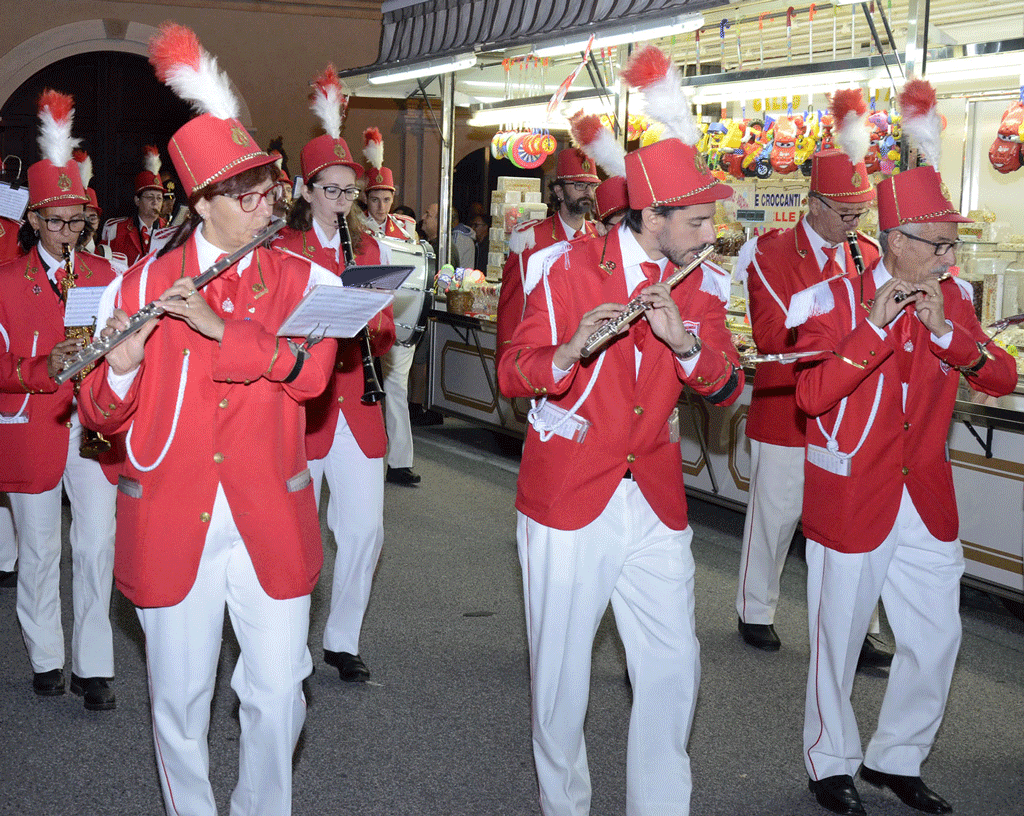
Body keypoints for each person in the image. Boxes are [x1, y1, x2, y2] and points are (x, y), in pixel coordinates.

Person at [78, 25, 338, 816]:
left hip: (269, 511)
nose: (269, 201)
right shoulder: (137, 283)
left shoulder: (306, 275)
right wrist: (119, 365)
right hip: (170, 512)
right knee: (180, 704)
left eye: (269, 184)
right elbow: (94, 412)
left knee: (279, 691)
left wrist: (230, 334)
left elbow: (314, 373)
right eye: (248, 191)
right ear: (201, 203)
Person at [497, 135, 744, 816]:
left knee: (674, 666)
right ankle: (564, 805)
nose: (710, 235)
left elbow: (726, 389)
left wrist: (684, 343)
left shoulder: (703, 283)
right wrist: (571, 348)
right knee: (562, 676)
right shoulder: (559, 268)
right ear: (651, 216)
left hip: (656, 499)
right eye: (697, 222)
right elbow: (514, 371)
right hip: (569, 492)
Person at [791, 164, 1016, 816]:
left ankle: (897, 758)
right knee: (838, 640)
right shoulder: (830, 301)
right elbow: (810, 395)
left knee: (937, 636)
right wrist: (874, 331)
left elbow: (1000, 375)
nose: (949, 257)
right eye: (938, 245)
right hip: (853, 493)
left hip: (926, 499)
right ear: (895, 242)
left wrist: (949, 334)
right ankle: (828, 764)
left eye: (953, 245)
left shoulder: (960, 301)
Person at [734, 147, 891, 670]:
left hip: (852, 413)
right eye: (845, 213)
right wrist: (854, 327)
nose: (854, 222)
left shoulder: (869, 252)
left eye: (859, 213)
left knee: (853, 521)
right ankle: (756, 610)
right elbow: (777, 338)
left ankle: (861, 629)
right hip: (788, 408)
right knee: (774, 519)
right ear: (814, 203)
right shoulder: (769, 253)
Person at [273, 65, 396, 683]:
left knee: (365, 528)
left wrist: (370, 314)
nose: (343, 201)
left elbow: (385, 332)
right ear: (305, 189)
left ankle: (342, 638)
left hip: (358, 403)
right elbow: (272, 330)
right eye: (332, 190)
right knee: (297, 528)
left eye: (350, 191)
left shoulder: (367, 249)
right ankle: (289, 636)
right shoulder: (282, 252)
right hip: (305, 407)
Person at [0, 90, 118, 709]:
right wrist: (38, 365)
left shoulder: (104, 275)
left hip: (92, 421)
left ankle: (95, 665)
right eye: (56, 222)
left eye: (79, 222)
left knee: (97, 543)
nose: (69, 234)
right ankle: (47, 653)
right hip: (31, 422)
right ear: (33, 222)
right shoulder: (3, 282)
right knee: (40, 549)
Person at [357, 127, 423, 485]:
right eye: (376, 199)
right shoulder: (355, 229)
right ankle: (361, 456)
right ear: (366, 199)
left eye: (386, 199)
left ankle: (399, 462)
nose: (381, 206)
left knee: (396, 385)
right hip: (367, 315)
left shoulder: (406, 229)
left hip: (400, 313)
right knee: (360, 385)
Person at [496, 148, 600, 366]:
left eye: (591, 186)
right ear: (559, 191)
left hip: (591, 356)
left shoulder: (600, 238)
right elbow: (513, 305)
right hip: (544, 354)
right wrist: (511, 360)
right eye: (579, 185)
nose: (587, 192)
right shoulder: (531, 238)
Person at [101, 145, 166, 265]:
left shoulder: (168, 229)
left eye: (159, 198)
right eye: (150, 197)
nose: (155, 202)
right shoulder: (116, 229)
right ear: (137, 200)